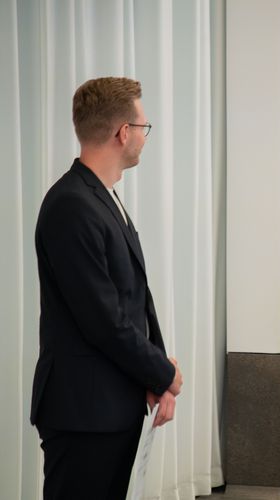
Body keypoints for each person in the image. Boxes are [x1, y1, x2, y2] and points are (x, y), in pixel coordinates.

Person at [31, 77, 183, 499]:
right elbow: (103, 319)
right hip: (84, 410)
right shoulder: (71, 205)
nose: (143, 138)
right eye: (144, 128)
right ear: (123, 133)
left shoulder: (101, 197)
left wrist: (154, 373)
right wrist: (163, 372)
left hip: (110, 404)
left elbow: (135, 298)